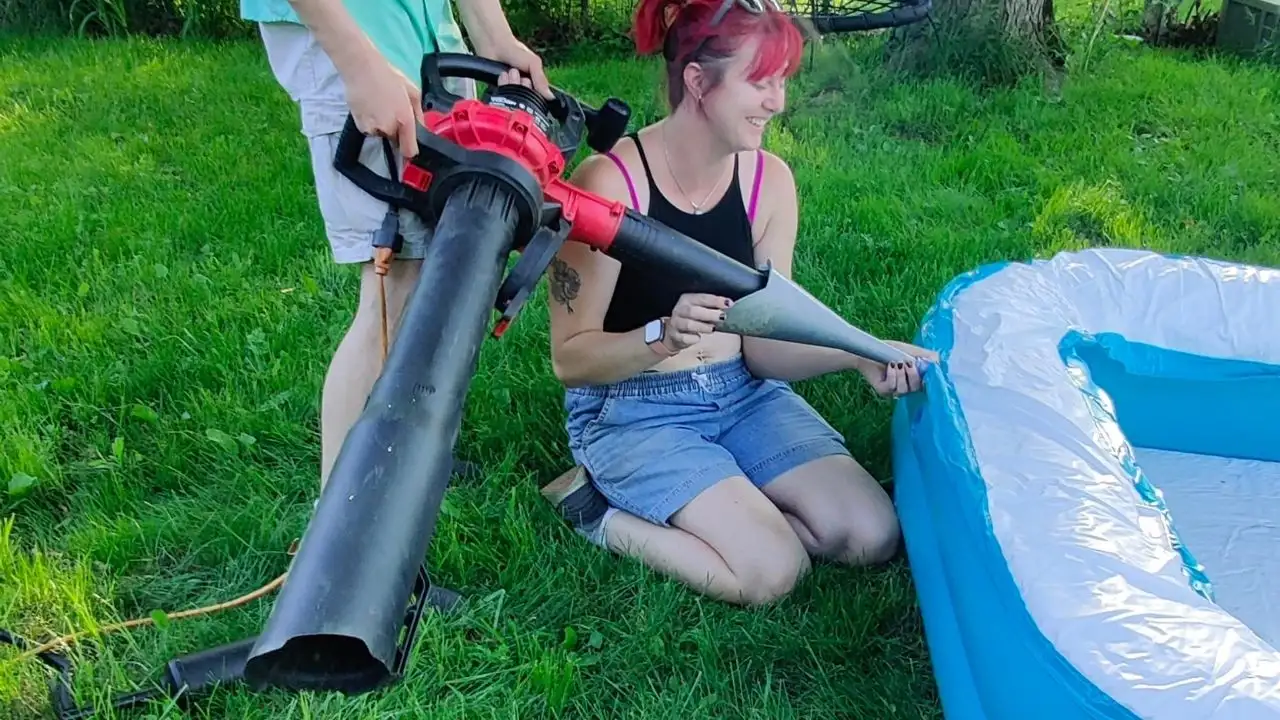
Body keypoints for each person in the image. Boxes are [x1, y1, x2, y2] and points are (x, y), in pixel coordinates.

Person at [538, 0, 938, 607]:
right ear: (698, 82)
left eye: (782, 81)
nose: (778, 102)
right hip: (633, 413)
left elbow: (764, 347)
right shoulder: (610, 185)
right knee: (772, 573)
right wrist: (661, 336)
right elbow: (570, 361)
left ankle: (734, 500)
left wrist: (857, 356)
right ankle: (595, 510)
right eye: (760, 81)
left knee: (869, 535)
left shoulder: (767, 182)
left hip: (744, 395)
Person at [240, 0, 551, 491]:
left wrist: (494, 37)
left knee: (443, 267)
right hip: (350, 38)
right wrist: (360, 66)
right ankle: (338, 529)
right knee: (394, 289)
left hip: (428, 38)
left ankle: (403, 457)